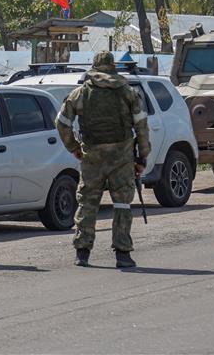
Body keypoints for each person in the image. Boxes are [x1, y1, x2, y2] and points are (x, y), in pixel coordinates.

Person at [55, 51, 151, 269]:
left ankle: (82, 252)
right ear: (113, 67)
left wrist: (74, 148)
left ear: (94, 67)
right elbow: (142, 127)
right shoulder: (128, 92)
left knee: (87, 202)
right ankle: (123, 254)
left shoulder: (80, 93)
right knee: (122, 203)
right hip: (122, 156)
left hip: (92, 157)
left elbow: (61, 123)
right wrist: (142, 157)